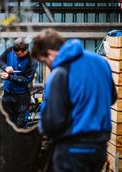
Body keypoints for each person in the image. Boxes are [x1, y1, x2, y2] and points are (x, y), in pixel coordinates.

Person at [31, 28, 117, 172]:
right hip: (99, 149)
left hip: (72, 151)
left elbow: (52, 123)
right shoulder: (100, 62)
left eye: (44, 61)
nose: (48, 66)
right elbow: (112, 98)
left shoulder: (60, 73)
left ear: (51, 54)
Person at [0, 37, 37, 128]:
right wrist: (5, 67)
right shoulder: (10, 51)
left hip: (22, 97)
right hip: (7, 95)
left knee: (20, 125)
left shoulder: (32, 61)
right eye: (14, 53)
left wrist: (9, 77)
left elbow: (26, 79)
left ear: (25, 51)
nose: (15, 55)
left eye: (18, 54)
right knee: (6, 123)